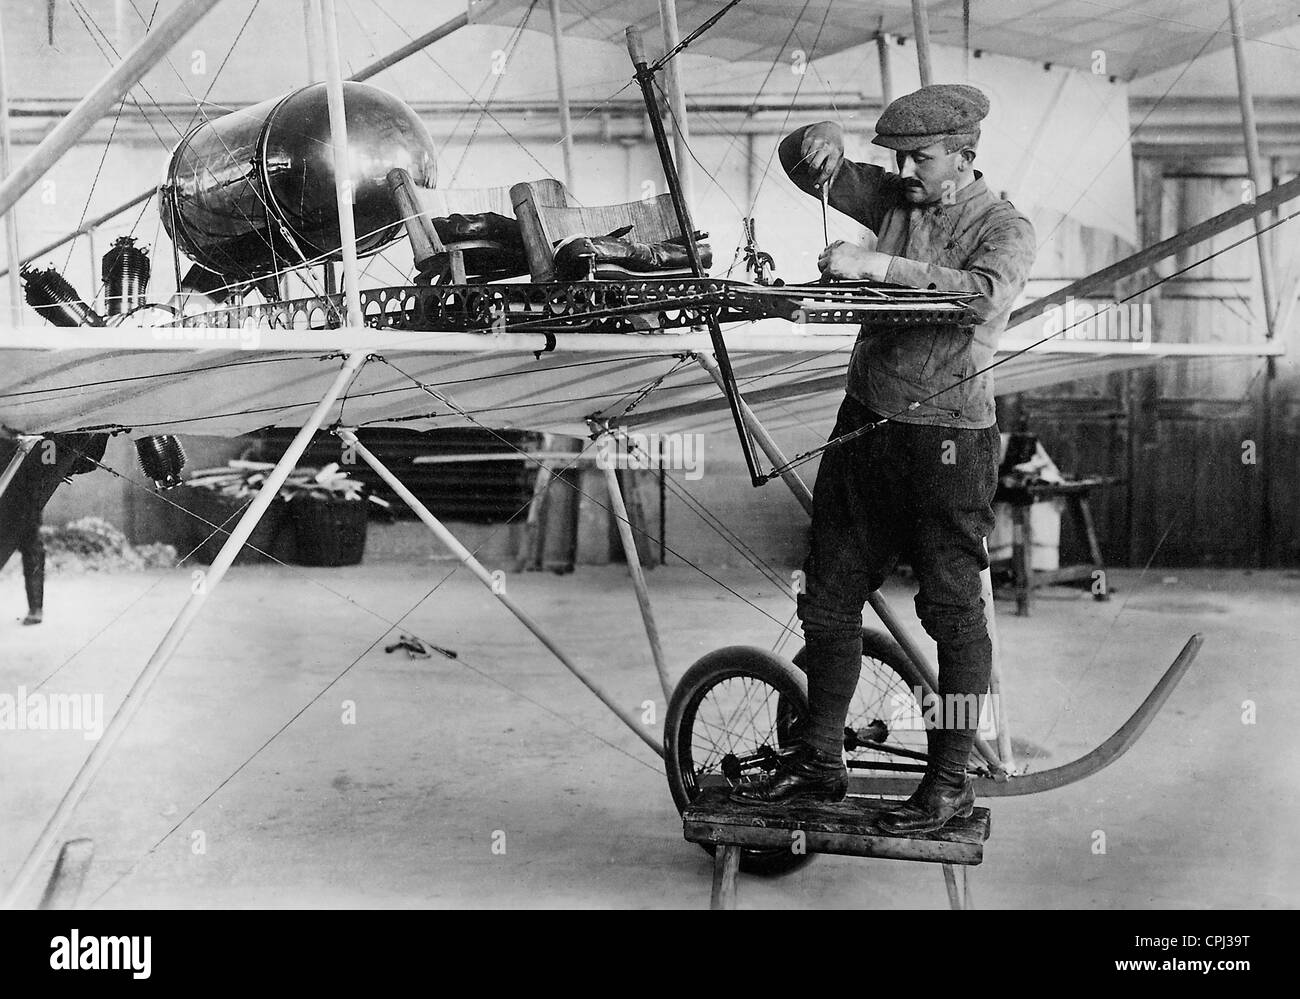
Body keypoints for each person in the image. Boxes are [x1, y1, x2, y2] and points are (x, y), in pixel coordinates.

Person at [732, 84, 1038, 835]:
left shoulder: (1004, 226)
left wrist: (877, 267)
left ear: (964, 158)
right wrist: (821, 134)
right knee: (827, 596)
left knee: (954, 614)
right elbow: (803, 166)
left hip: (947, 442)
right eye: (896, 153)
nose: (904, 167)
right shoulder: (896, 195)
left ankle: (948, 779)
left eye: (921, 156)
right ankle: (820, 759)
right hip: (866, 426)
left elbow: (982, 298)